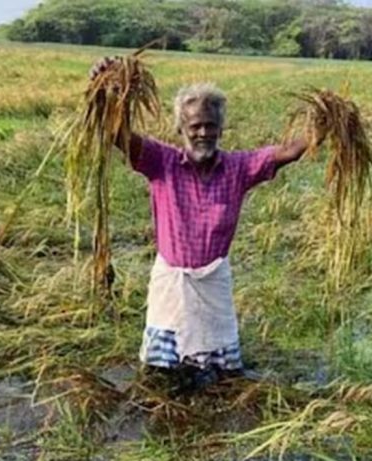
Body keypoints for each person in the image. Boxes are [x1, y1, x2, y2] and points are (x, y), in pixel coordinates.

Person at [89, 57, 323, 392]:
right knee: (158, 380)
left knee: (224, 381)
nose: (203, 133)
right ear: (180, 129)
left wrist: (326, 125)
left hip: (214, 284)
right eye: (195, 126)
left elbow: (287, 151)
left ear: (220, 129)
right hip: (172, 284)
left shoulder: (239, 168)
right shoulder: (161, 161)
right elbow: (117, 134)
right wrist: (104, 92)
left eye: (210, 126)